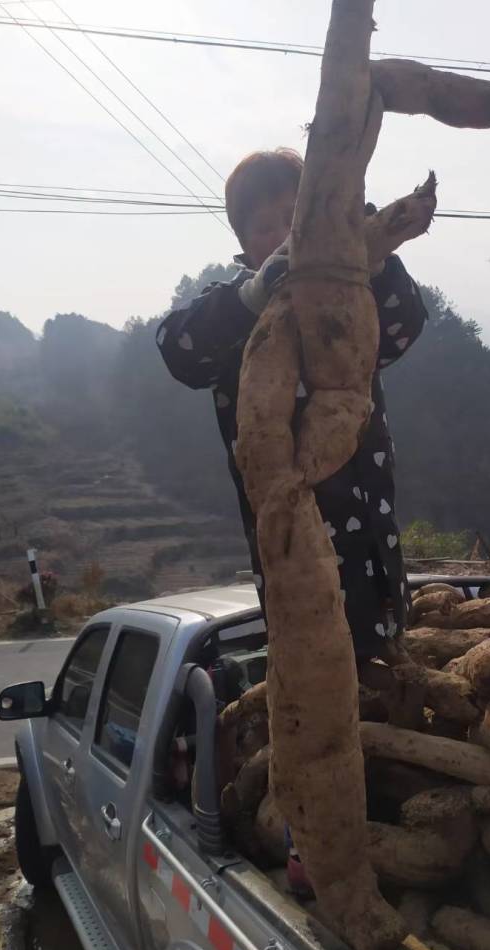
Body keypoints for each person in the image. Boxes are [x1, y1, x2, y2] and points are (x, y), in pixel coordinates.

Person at [156, 147, 427, 664]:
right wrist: (254, 297)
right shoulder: (237, 310)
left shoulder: (353, 299)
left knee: (391, 666)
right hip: (293, 562)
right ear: (242, 243)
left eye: (294, 219)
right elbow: (178, 348)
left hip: (377, 546)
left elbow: (403, 327)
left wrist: (379, 253)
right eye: (264, 227)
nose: (284, 236)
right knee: (320, 675)